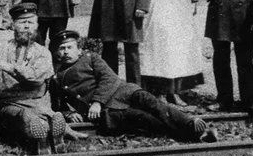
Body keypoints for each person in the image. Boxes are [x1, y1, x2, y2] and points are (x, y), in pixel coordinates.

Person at [52, 30, 216, 143]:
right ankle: (195, 133)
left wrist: (97, 102)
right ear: (57, 53)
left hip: (122, 92)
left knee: (153, 104)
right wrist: (69, 113)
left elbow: (109, 77)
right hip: (109, 111)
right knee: (144, 119)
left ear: (79, 50)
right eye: (62, 48)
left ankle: (190, 123)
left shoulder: (91, 58)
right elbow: (56, 107)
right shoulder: (57, 79)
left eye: (69, 47)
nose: (66, 52)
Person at [0, 3, 65, 155]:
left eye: (31, 22)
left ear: (36, 25)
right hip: (6, 104)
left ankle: (49, 134)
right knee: (25, 116)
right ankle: (42, 138)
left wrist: (8, 67)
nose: (27, 26)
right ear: (13, 25)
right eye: (22, 22)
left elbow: (34, 78)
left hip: (35, 102)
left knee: (44, 112)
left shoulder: (43, 53)